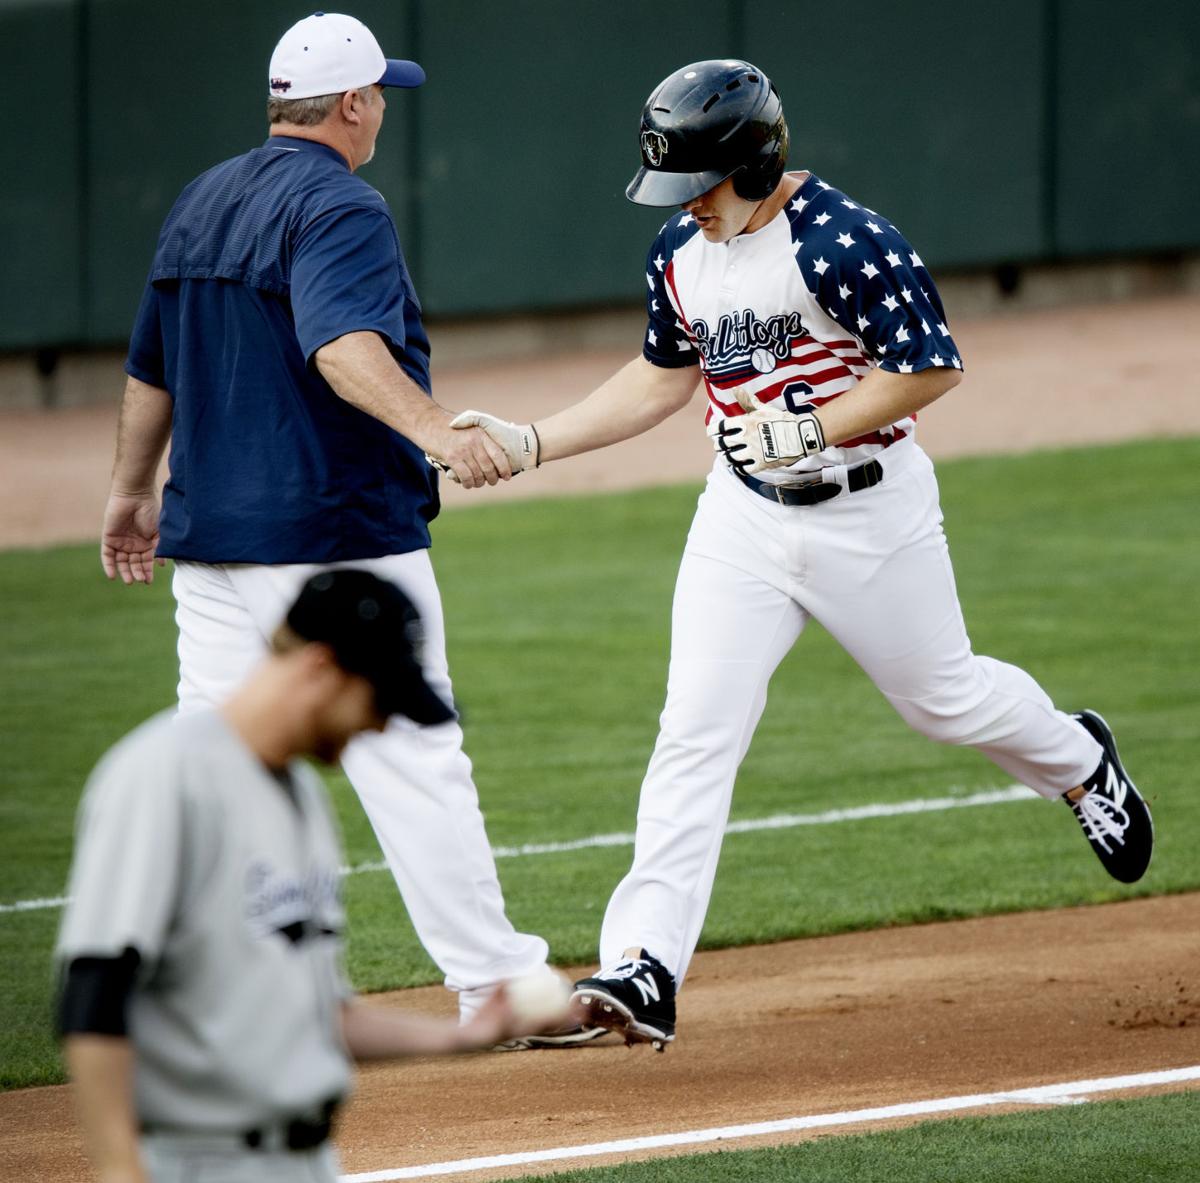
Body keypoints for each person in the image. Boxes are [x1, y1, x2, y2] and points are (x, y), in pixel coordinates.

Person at [438, 59, 1154, 1051]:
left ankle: (1081, 760)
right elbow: (660, 380)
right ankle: (644, 967)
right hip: (742, 521)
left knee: (941, 700)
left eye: (700, 185)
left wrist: (810, 426)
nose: (688, 209)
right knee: (694, 731)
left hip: (874, 518)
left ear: (754, 159)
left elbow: (929, 367)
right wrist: (532, 440)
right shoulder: (679, 254)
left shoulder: (843, 242)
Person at [98, 11, 597, 1046]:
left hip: (211, 538)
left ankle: (209, 984)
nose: (381, 117)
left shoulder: (201, 198)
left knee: (220, 758)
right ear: (357, 104)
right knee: (415, 750)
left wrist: (128, 489)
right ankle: (496, 982)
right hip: (332, 533)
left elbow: (150, 367)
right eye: (382, 99)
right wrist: (435, 432)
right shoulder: (343, 204)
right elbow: (341, 344)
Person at [56, 570, 565, 1183]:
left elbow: (317, 1012)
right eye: (378, 702)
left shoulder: (301, 793)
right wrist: (119, 1172)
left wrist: (465, 1037)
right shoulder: (166, 773)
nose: (379, 726)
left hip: (304, 1163)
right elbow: (94, 991)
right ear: (320, 668)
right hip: (200, 1164)